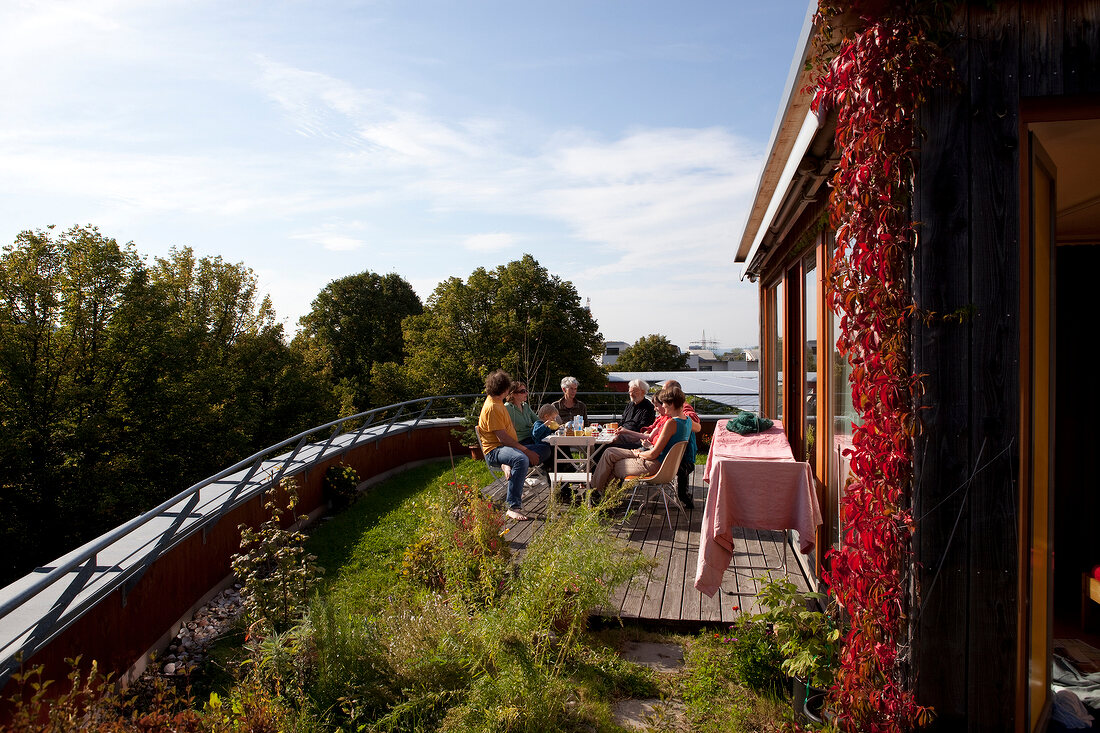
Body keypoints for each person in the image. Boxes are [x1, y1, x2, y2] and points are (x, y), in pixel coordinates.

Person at [590, 385, 695, 498]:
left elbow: (653, 454)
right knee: (609, 452)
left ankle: (597, 495)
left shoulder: (671, 423)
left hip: (654, 465)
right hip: (664, 465)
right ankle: (602, 497)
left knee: (612, 463)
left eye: (663, 403)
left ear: (671, 404)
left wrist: (638, 453)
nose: (662, 406)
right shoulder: (688, 421)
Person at [613, 379, 700, 509]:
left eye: (665, 392)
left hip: (678, 457)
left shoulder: (680, 413)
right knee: (611, 453)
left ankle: (610, 497)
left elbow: (697, 427)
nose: (661, 397)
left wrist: (678, 421)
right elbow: (656, 427)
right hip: (662, 453)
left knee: (614, 459)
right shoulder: (668, 414)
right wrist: (654, 430)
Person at [477, 369, 540, 521]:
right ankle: (513, 507)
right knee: (521, 459)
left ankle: (508, 464)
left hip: (506, 448)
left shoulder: (497, 402)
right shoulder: (493, 407)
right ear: (505, 390)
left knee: (544, 450)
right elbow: (503, 438)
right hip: (494, 450)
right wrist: (525, 450)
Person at [505, 381, 551, 464]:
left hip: (531, 439)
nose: (526, 393)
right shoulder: (507, 408)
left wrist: (550, 421)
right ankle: (549, 470)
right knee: (546, 449)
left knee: (553, 444)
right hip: (519, 443)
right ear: (513, 394)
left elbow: (538, 421)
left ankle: (564, 470)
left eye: (526, 391)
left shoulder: (525, 406)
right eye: (522, 391)